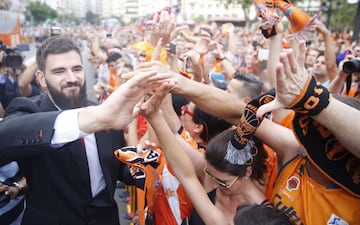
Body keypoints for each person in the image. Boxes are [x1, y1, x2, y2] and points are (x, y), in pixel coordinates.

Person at [0, 36, 174, 225]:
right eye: (59, 71)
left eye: (77, 69)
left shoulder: (104, 111)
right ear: (41, 78)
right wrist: (93, 119)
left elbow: (115, 168)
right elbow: (6, 135)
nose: (71, 78)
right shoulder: (30, 111)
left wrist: (142, 160)